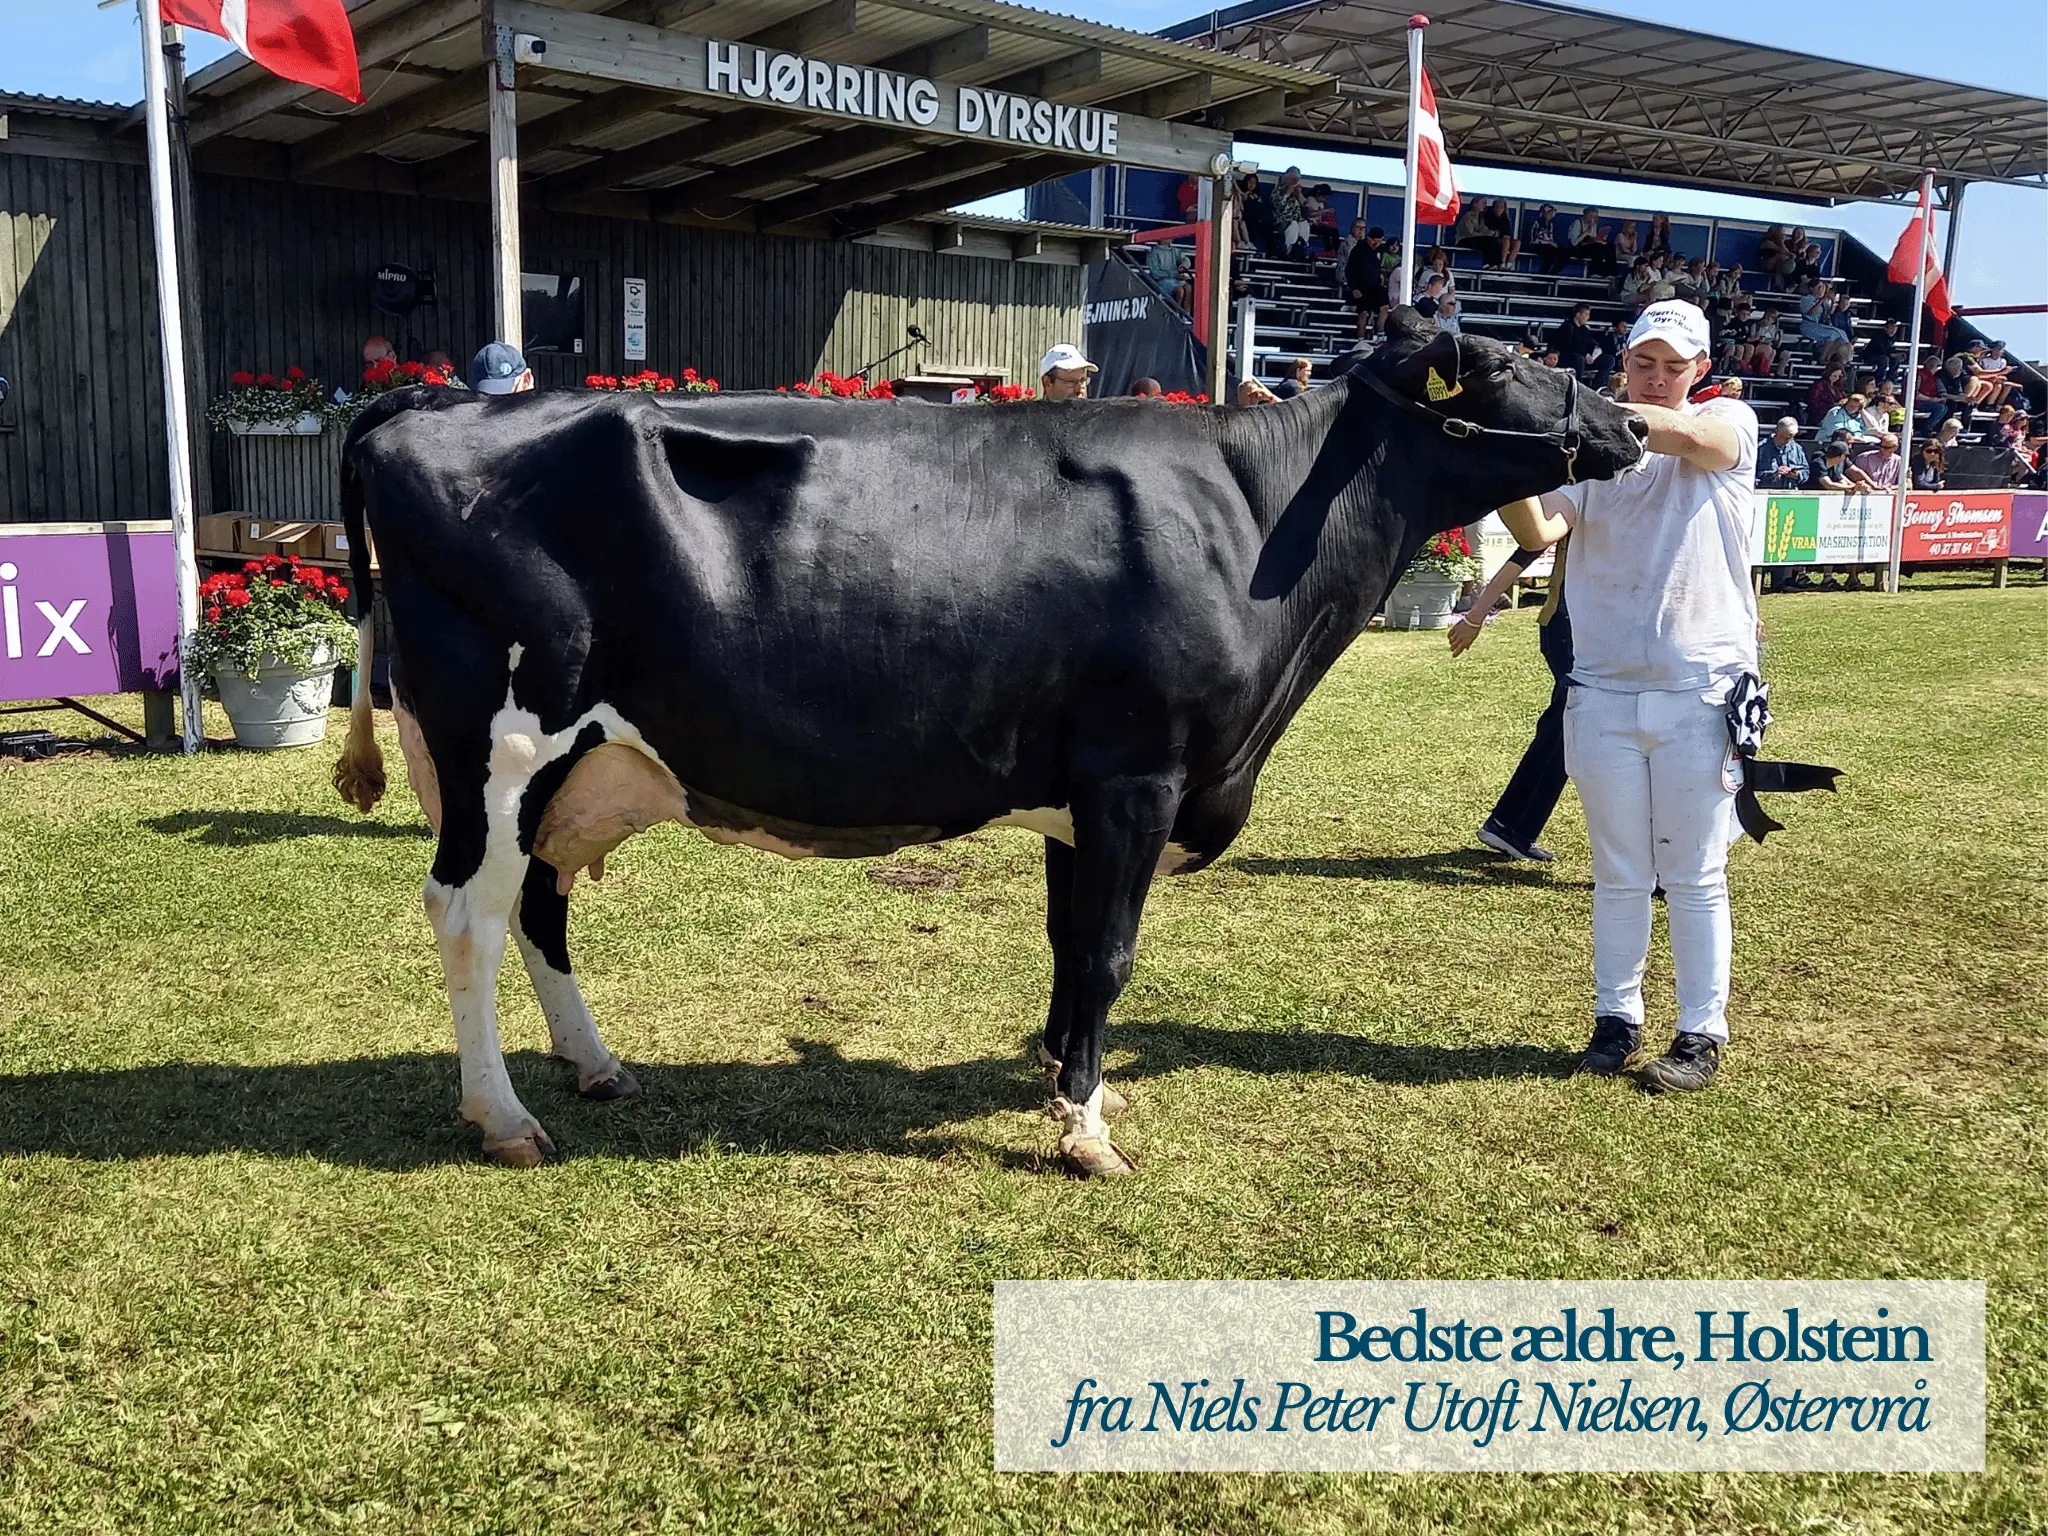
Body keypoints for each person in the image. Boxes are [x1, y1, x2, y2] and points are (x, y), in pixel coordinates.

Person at [1497, 299, 1760, 1093]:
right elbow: (1540, 531)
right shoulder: (1592, 458)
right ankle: (1616, 1018)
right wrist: (1511, 458)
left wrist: (1592, 417)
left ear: (1699, 372)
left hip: (1698, 689)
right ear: (1625, 360)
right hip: (1604, 690)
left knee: (1693, 872)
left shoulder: (1730, 425)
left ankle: (1700, 1031)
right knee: (1618, 872)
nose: (1656, 376)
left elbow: (1693, 439)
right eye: (1644, 362)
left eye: (1673, 365)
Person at [1449, 535, 1575, 862]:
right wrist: (1475, 615)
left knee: (1567, 730)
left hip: (1602, 630)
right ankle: (1510, 826)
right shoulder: (1584, 493)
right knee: (1569, 723)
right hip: (1569, 628)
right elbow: (1529, 549)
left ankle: (1511, 826)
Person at [1344, 226, 1385, 337]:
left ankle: (1380, 334)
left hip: (1375, 285)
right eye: (1374, 242)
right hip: (1361, 286)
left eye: (1379, 242)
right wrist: (1354, 287)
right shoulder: (1358, 250)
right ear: (1369, 239)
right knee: (1363, 313)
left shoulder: (1380, 250)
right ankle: (1360, 339)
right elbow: (1349, 270)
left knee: (1384, 306)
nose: (1376, 245)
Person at [1757, 417, 1809, 489]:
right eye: (1785, 437)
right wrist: (1773, 474)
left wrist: (1796, 475)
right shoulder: (1760, 449)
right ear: (1776, 431)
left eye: (1791, 437)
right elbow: (1751, 474)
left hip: (1791, 495)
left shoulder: (1797, 449)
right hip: (1766, 495)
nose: (1788, 440)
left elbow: (1806, 472)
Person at [1567, 207, 1613, 275]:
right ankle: (1594, 272)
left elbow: (1592, 239)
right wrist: (1587, 231)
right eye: (1590, 216)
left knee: (1610, 247)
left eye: (1595, 217)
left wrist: (1600, 240)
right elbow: (1574, 243)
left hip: (1590, 247)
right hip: (1578, 249)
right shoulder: (1577, 223)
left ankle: (1610, 272)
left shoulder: (1594, 225)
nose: (1592, 219)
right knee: (1597, 248)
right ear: (1584, 215)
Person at [1525, 203, 1564, 273]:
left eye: (1552, 213)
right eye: (1549, 213)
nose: (1551, 215)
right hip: (1535, 245)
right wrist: (1548, 243)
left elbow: (1550, 237)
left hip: (1548, 246)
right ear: (1543, 213)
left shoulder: (1550, 224)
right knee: (1550, 251)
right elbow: (1533, 238)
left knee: (1563, 252)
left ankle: (1553, 273)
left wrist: (1552, 243)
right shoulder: (1536, 222)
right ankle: (1543, 273)